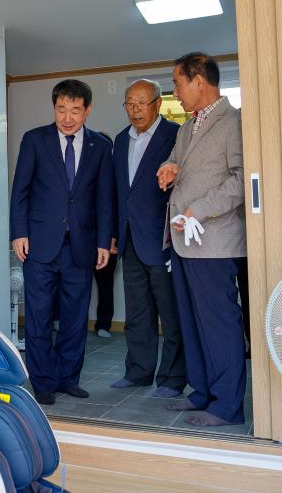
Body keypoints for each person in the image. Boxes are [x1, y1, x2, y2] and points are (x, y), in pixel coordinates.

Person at [10, 79, 114, 404]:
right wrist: (18, 233)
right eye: (61, 109)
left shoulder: (100, 146)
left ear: (87, 110)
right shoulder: (34, 140)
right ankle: (43, 381)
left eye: (75, 110)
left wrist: (104, 241)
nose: (68, 118)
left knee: (75, 316)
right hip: (39, 244)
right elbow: (20, 191)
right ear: (54, 108)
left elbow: (104, 198)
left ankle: (69, 378)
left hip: (81, 246)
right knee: (39, 315)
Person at [156, 52, 246, 427]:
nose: (175, 92)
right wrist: (168, 168)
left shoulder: (234, 122)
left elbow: (242, 180)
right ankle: (203, 392)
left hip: (216, 242)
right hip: (183, 242)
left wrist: (199, 210)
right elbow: (176, 161)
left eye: (178, 84)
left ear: (198, 80)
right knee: (192, 323)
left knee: (219, 325)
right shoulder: (186, 127)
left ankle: (227, 406)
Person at [110, 79, 186, 397]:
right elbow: (118, 192)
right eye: (130, 103)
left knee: (171, 313)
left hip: (163, 239)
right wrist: (113, 233)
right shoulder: (120, 140)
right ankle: (138, 372)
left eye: (142, 102)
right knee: (137, 312)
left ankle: (172, 378)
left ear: (158, 103)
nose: (135, 109)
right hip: (130, 239)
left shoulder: (176, 135)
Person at [93, 132, 118, 339]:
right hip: (83, 238)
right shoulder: (83, 170)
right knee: (73, 283)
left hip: (108, 239)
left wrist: (114, 237)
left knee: (105, 284)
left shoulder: (116, 175)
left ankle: (104, 324)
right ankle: (59, 320)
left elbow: (118, 210)